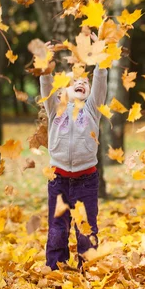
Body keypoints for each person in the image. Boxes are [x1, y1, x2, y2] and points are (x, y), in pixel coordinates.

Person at [40, 40, 108, 270]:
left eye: (84, 82)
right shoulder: (55, 108)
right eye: (74, 81)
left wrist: (99, 60)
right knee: (57, 229)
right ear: (62, 90)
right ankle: (55, 268)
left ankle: (89, 269)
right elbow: (46, 86)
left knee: (86, 229)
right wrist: (46, 63)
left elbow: (99, 84)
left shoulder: (92, 109)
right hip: (58, 180)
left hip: (86, 181)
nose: (80, 83)